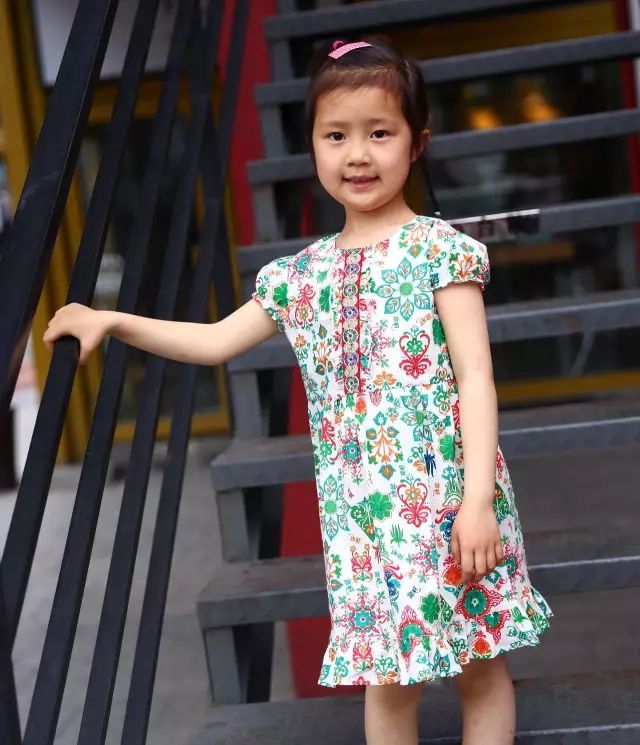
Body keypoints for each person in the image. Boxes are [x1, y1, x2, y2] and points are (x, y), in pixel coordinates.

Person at [44, 38, 552, 745]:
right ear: (312, 145)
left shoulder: (441, 251)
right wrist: (113, 320)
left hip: (451, 504)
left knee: (479, 665)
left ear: (417, 143)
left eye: (380, 133)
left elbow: (475, 378)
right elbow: (215, 340)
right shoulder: (299, 278)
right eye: (336, 135)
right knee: (389, 679)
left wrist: (477, 504)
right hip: (364, 522)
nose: (358, 155)